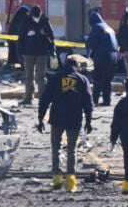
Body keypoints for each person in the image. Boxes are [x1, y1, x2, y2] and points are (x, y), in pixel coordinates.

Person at [37, 55, 93, 193]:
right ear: (77, 66)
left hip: (57, 118)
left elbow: (44, 99)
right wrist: (89, 121)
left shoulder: (55, 78)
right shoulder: (82, 80)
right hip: (74, 119)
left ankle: (56, 178)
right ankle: (70, 181)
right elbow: (88, 103)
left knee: (56, 147)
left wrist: (40, 118)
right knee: (71, 149)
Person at [17, 4, 55, 105]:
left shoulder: (44, 22)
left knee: (40, 76)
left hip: (41, 53)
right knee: (29, 76)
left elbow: (51, 37)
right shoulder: (26, 21)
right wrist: (19, 52)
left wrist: (52, 49)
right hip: (29, 53)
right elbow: (21, 38)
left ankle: (42, 98)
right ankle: (29, 97)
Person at [85, 9, 118, 106]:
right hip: (114, 56)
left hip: (103, 56)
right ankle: (107, 100)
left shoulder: (97, 27)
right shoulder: (108, 28)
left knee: (98, 78)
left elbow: (90, 42)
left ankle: (94, 100)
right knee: (107, 80)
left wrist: (88, 51)